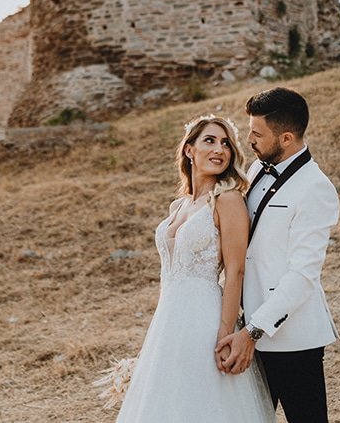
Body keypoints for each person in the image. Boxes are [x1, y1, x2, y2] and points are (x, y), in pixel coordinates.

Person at [115, 115, 275, 423]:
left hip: (206, 319)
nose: (219, 149)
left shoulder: (228, 200)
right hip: (169, 320)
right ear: (189, 150)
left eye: (226, 143)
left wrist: (226, 333)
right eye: (210, 141)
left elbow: (235, 271)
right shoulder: (179, 206)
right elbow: (169, 274)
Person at [215, 87, 340, 423]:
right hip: (245, 328)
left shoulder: (316, 188)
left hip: (292, 338)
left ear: (286, 138)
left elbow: (302, 276)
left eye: (257, 134)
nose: (248, 140)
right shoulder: (258, 169)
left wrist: (253, 331)